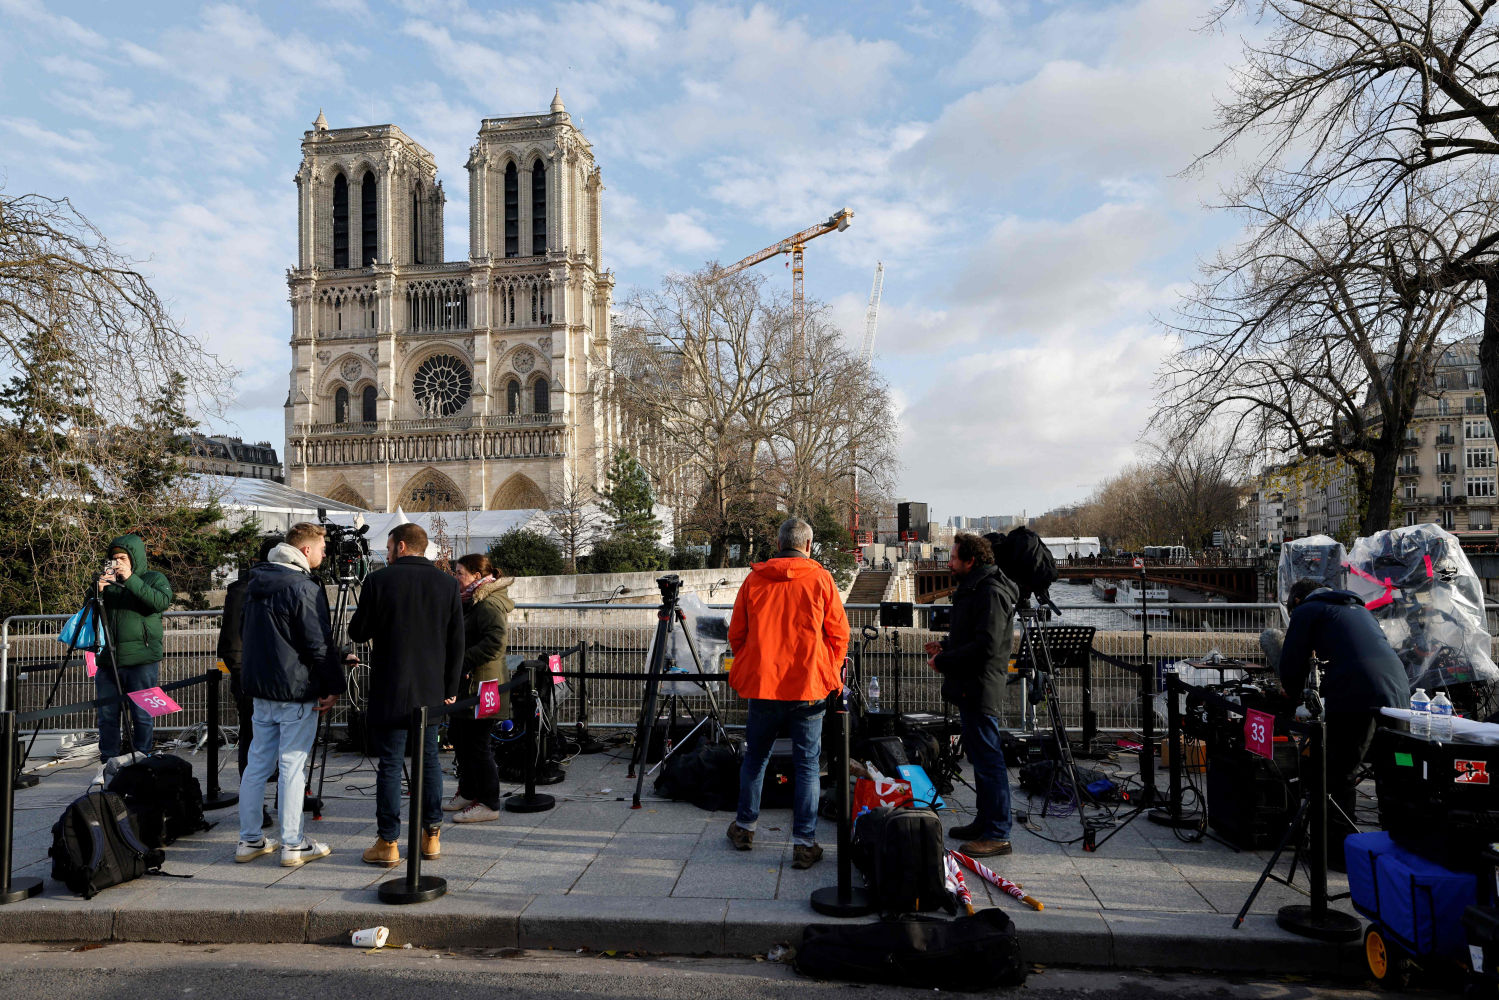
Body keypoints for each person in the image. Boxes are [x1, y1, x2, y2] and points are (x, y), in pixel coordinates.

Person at [726, 517, 850, 870]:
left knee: (756, 758)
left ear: (778, 543)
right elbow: (839, 635)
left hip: (764, 686)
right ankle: (804, 842)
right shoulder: (821, 579)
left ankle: (746, 827)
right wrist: (827, 669)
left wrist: (753, 663)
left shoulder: (754, 580)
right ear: (808, 545)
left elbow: (737, 633)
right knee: (808, 765)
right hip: (808, 686)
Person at [348, 523, 464, 867]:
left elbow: (358, 630)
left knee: (390, 764)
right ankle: (431, 836)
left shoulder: (379, 581)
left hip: (390, 686)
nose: (386, 553)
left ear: (400, 546)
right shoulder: (446, 583)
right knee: (429, 761)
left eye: (388, 547)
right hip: (432, 690)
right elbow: (457, 641)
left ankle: (389, 842)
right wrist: (451, 688)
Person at [233, 523, 347, 867]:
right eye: (322, 550)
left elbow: (247, 634)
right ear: (306, 550)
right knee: (292, 768)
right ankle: (294, 843)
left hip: (261, 690)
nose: (325, 555)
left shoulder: (256, 583)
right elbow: (316, 644)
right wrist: (334, 687)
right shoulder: (302, 587)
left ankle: (250, 839)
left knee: (256, 766)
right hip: (296, 691)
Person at [1276, 578, 1408, 868]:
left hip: (1356, 696)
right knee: (1394, 773)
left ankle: (1337, 854)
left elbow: (1292, 663)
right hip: (1398, 694)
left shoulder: (1307, 610)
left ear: (1297, 601)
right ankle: (1397, 848)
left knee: (1337, 773)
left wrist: (1289, 694)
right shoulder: (1356, 609)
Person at [925, 532, 1018, 858]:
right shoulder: (978, 589)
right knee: (979, 757)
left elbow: (987, 646)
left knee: (989, 759)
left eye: (952, 558)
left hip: (980, 685)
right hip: (971, 684)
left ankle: (997, 833)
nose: (948, 563)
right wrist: (947, 646)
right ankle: (985, 821)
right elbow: (973, 637)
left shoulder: (989, 592)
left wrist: (944, 660)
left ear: (970, 560)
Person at [94, 533, 173, 772]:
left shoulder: (153, 578)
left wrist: (130, 580)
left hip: (141, 659)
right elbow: (92, 614)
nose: (117, 562)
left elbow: (160, 603)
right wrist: (97, 591)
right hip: (109, 659)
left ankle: (143, 758)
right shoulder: (108, 584)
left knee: (142, 714)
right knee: (107, 715)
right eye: (114, 558)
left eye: (122, 558)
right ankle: (107, 763)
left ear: (134, 558)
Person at [446, 553, 515, 824]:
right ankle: (469, 790)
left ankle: (488, 801)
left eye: (460, 572)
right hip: (470, 682)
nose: (456, 577)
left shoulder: (487, 604)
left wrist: (461, 658)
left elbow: (496, 643)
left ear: (476, 575)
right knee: (460, 737)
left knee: (477, 744)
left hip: (483, 684)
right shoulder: (472, 601)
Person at [218, 534, 283, 778]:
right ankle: (254, 803)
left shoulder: (279, 585)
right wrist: (243, 677)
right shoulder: (243, 589)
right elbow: (233, 641)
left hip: (274, 676)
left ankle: (283, 793)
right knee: (252, 737)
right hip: (251, 678)